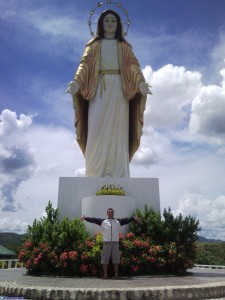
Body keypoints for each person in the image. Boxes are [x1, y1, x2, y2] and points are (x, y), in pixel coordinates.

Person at [66, 10, 152, 177]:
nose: (110, 23)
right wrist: (77, 82)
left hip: (120, 89)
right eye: (107, 20)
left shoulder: (124, 46)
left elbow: (133, 65)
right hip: (98, 89)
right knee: (96, 128)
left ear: (119, 24)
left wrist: (140, 82)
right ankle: (95, 172)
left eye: (113, 20)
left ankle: (118, 172)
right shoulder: (94, 46)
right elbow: (84, 64)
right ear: (101, 24)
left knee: (118, 130)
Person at [80, 207, 140, 279]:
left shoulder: (118, 221)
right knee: (105, 259)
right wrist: (85, 218)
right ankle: (105, 274)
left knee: (116, 259)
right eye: (109, 212)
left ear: (113, 213)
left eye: (112, 212)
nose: (110, 213)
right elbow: (94, 220)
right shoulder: (103, 221)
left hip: (115, 243)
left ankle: (116, 274)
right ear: (107, 213)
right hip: (106, 242)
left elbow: (126, 220)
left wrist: (133, 218)